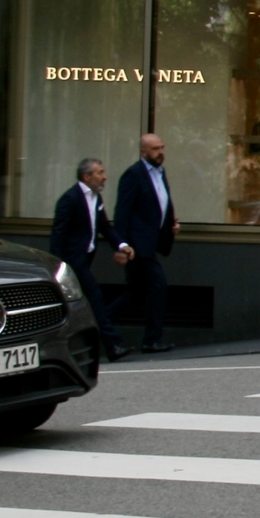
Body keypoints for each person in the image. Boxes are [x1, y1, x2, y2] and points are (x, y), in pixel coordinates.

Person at [49, 156, 133, 361]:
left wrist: (122, 245)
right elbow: (58, 234)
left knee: (78, 306)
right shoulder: (70, 199)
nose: (105, 177)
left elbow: (105, 227)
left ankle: (71, 348)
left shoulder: (96, 199)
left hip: (85, 259)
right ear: (87, 177)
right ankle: (112, 345)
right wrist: (58, 266)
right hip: (72, 262)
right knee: (95, 298)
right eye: (100, 173)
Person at [112, 131, 178, 354]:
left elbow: (160, 204)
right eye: (155, 149)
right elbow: (122, 212)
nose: (160, 153)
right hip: (137, 246)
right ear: (143, 152)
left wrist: (169, 226)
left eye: (162, 147)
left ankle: (100, 325)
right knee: (158, 286)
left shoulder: (160, 172)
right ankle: (151, 340)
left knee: (135, 292)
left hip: (150, 242)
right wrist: (121, 245)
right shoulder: (133, 175)